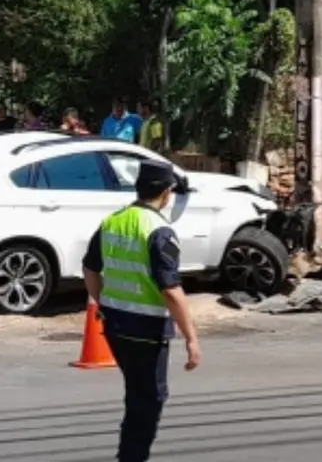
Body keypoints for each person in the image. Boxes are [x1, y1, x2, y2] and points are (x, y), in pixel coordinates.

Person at [82, 159, 202, 462]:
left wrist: (101, 303)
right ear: (167, 193)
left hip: (115, 325)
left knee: (138, 396)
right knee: (148, 400)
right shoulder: (159, 229)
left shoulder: (113, 221)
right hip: (146, 330)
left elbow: (90, 268)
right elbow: (170, 289)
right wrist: (191, 337)